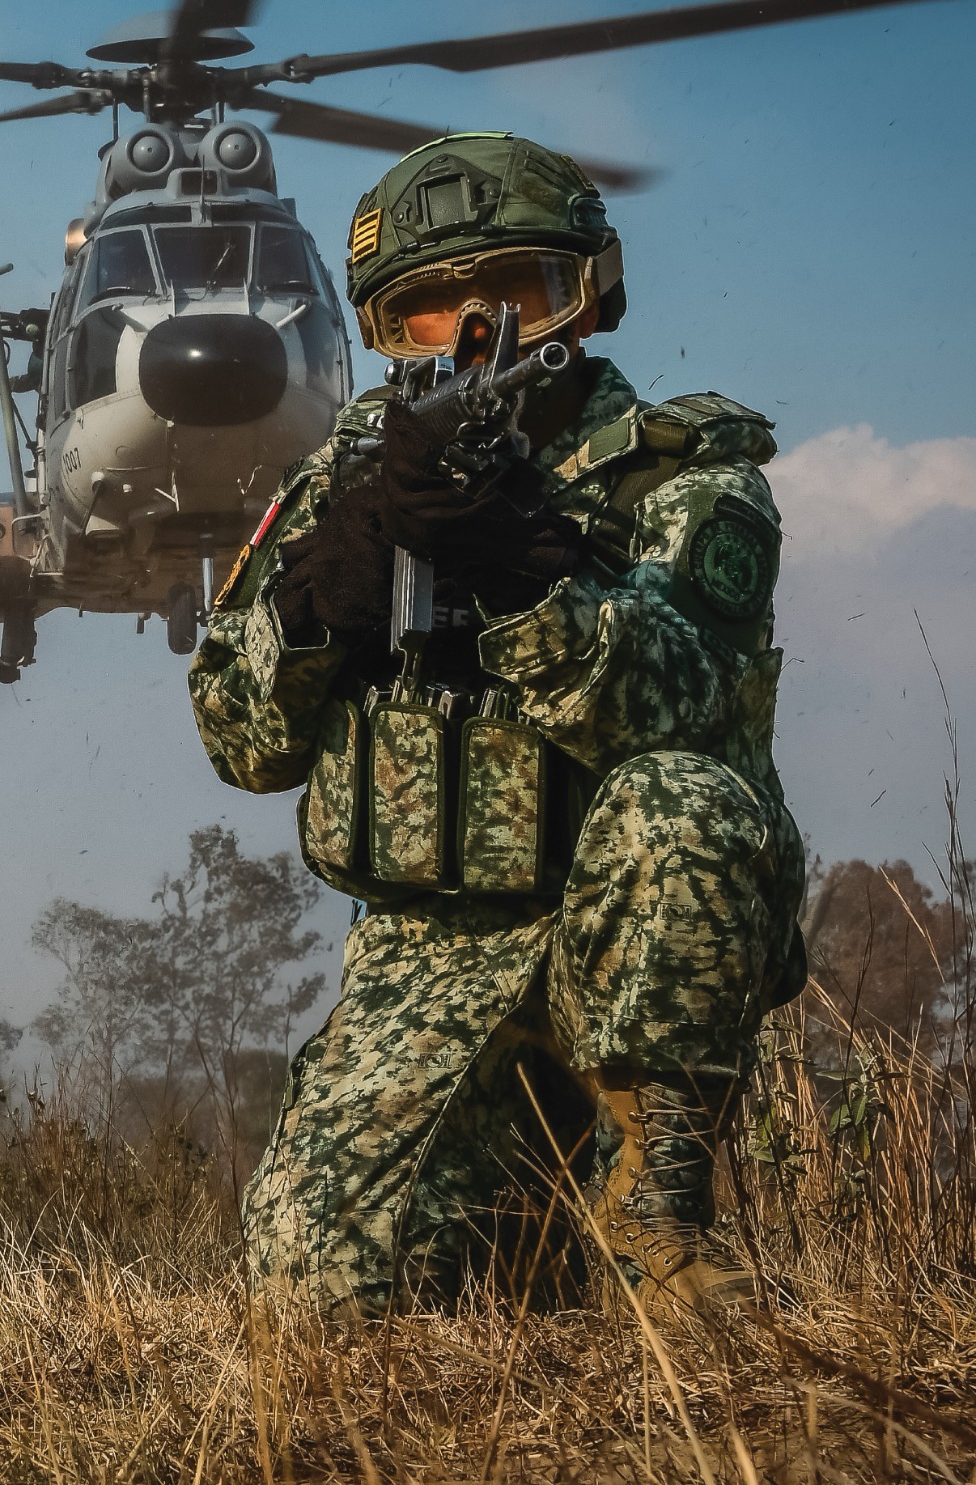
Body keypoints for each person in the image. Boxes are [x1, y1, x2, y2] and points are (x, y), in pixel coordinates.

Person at [189, 132, 806, 1321]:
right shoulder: (345, 480)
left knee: (684, 804)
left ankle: (652, 1211)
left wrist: (530, 565)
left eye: (517, 292)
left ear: (588, 293)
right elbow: (238, 738)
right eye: (428, 312)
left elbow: (689, 706)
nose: (480, 334)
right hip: (428, 952)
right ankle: (521, 1220)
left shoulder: (684, 477)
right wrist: (335, 580)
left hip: (615, 927)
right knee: (310, 1287)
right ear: (382, 333)